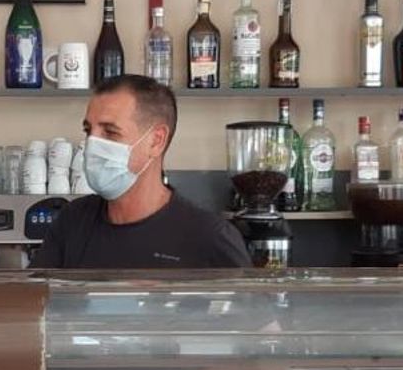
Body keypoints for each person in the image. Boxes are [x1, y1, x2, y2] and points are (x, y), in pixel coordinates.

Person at [32, 75, 251, 270]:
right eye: (89, 131)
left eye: (110, 132)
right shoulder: (73, 221)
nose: (92, 144)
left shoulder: (209, 237)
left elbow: (251, 314)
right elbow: (34, 303)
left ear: (156, 141)